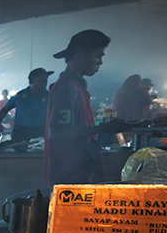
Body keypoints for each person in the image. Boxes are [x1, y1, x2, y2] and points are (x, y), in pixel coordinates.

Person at [43, 30, 130, 187]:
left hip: (78, 172)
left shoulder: (76, 87)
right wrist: (103, 128)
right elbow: (57, 133)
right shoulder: (67, 88)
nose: (100, 62)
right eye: (98, 56)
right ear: (78, 57)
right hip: (69, 179)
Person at [0, 68, 53, 143]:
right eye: (41, 79)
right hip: (20, 132)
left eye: (46, 79)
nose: (45, 82)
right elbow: (5, 109)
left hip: (40, 131)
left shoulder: (49, 96)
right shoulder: (19, 96)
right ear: (32, 81)